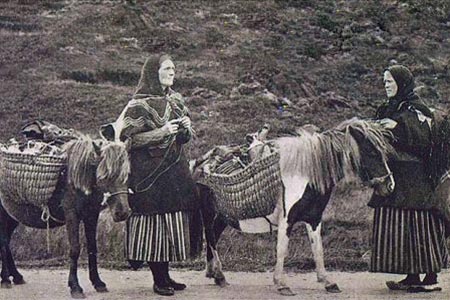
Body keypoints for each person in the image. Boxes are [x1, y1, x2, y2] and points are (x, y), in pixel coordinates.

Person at [107, 54, 202, 296]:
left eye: (174, 68)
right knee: (154, 225)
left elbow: (182, 139)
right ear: (153, 72)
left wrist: (185, 131)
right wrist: (160, 132)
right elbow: (128, 139)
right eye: (167, 68)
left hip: (174, 172)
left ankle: (166, 275)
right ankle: (158, 279)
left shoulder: (177, 101)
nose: (173, 72)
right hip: (148, 174)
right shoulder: (138, 105)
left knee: (171, 222)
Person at [369, 64, 448, 292]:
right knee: (402, 225)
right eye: (384, 82)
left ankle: (430, 277)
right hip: (397, 175)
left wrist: (397, 126)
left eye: (390, 81)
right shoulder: (388, 108)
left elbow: (424, 138)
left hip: (416, 179)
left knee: (420, 224)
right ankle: (412, 275)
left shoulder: (416, 108)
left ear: (402, 83)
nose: (386, 86)